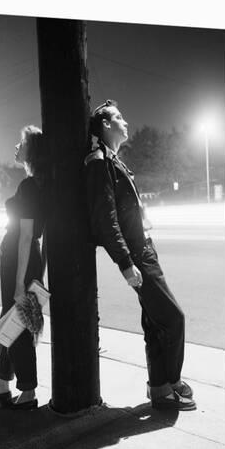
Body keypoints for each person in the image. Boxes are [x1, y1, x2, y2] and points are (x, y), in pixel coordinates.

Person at [84, 99, 196, 410]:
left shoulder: (114, 160)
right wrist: (126, 263)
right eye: (118, 117)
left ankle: (159, 389)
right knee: (174, 318)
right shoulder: (99, 162)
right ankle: (172, 381)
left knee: (155, 322)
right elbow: (104, 220)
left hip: (143, 248)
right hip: (136, 254)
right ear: (105, 125)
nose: (125, 121)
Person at [0, 125, 46, 410]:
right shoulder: (34, 182)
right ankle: (3, 383)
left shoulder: (30, 187)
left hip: (21, 260)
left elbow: (28, 235)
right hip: (22, 259)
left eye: (21, 143)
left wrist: (20, 282)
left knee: (17, 322)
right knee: (11, 319)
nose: (16, 147)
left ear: (33, 150)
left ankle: (28, 390)